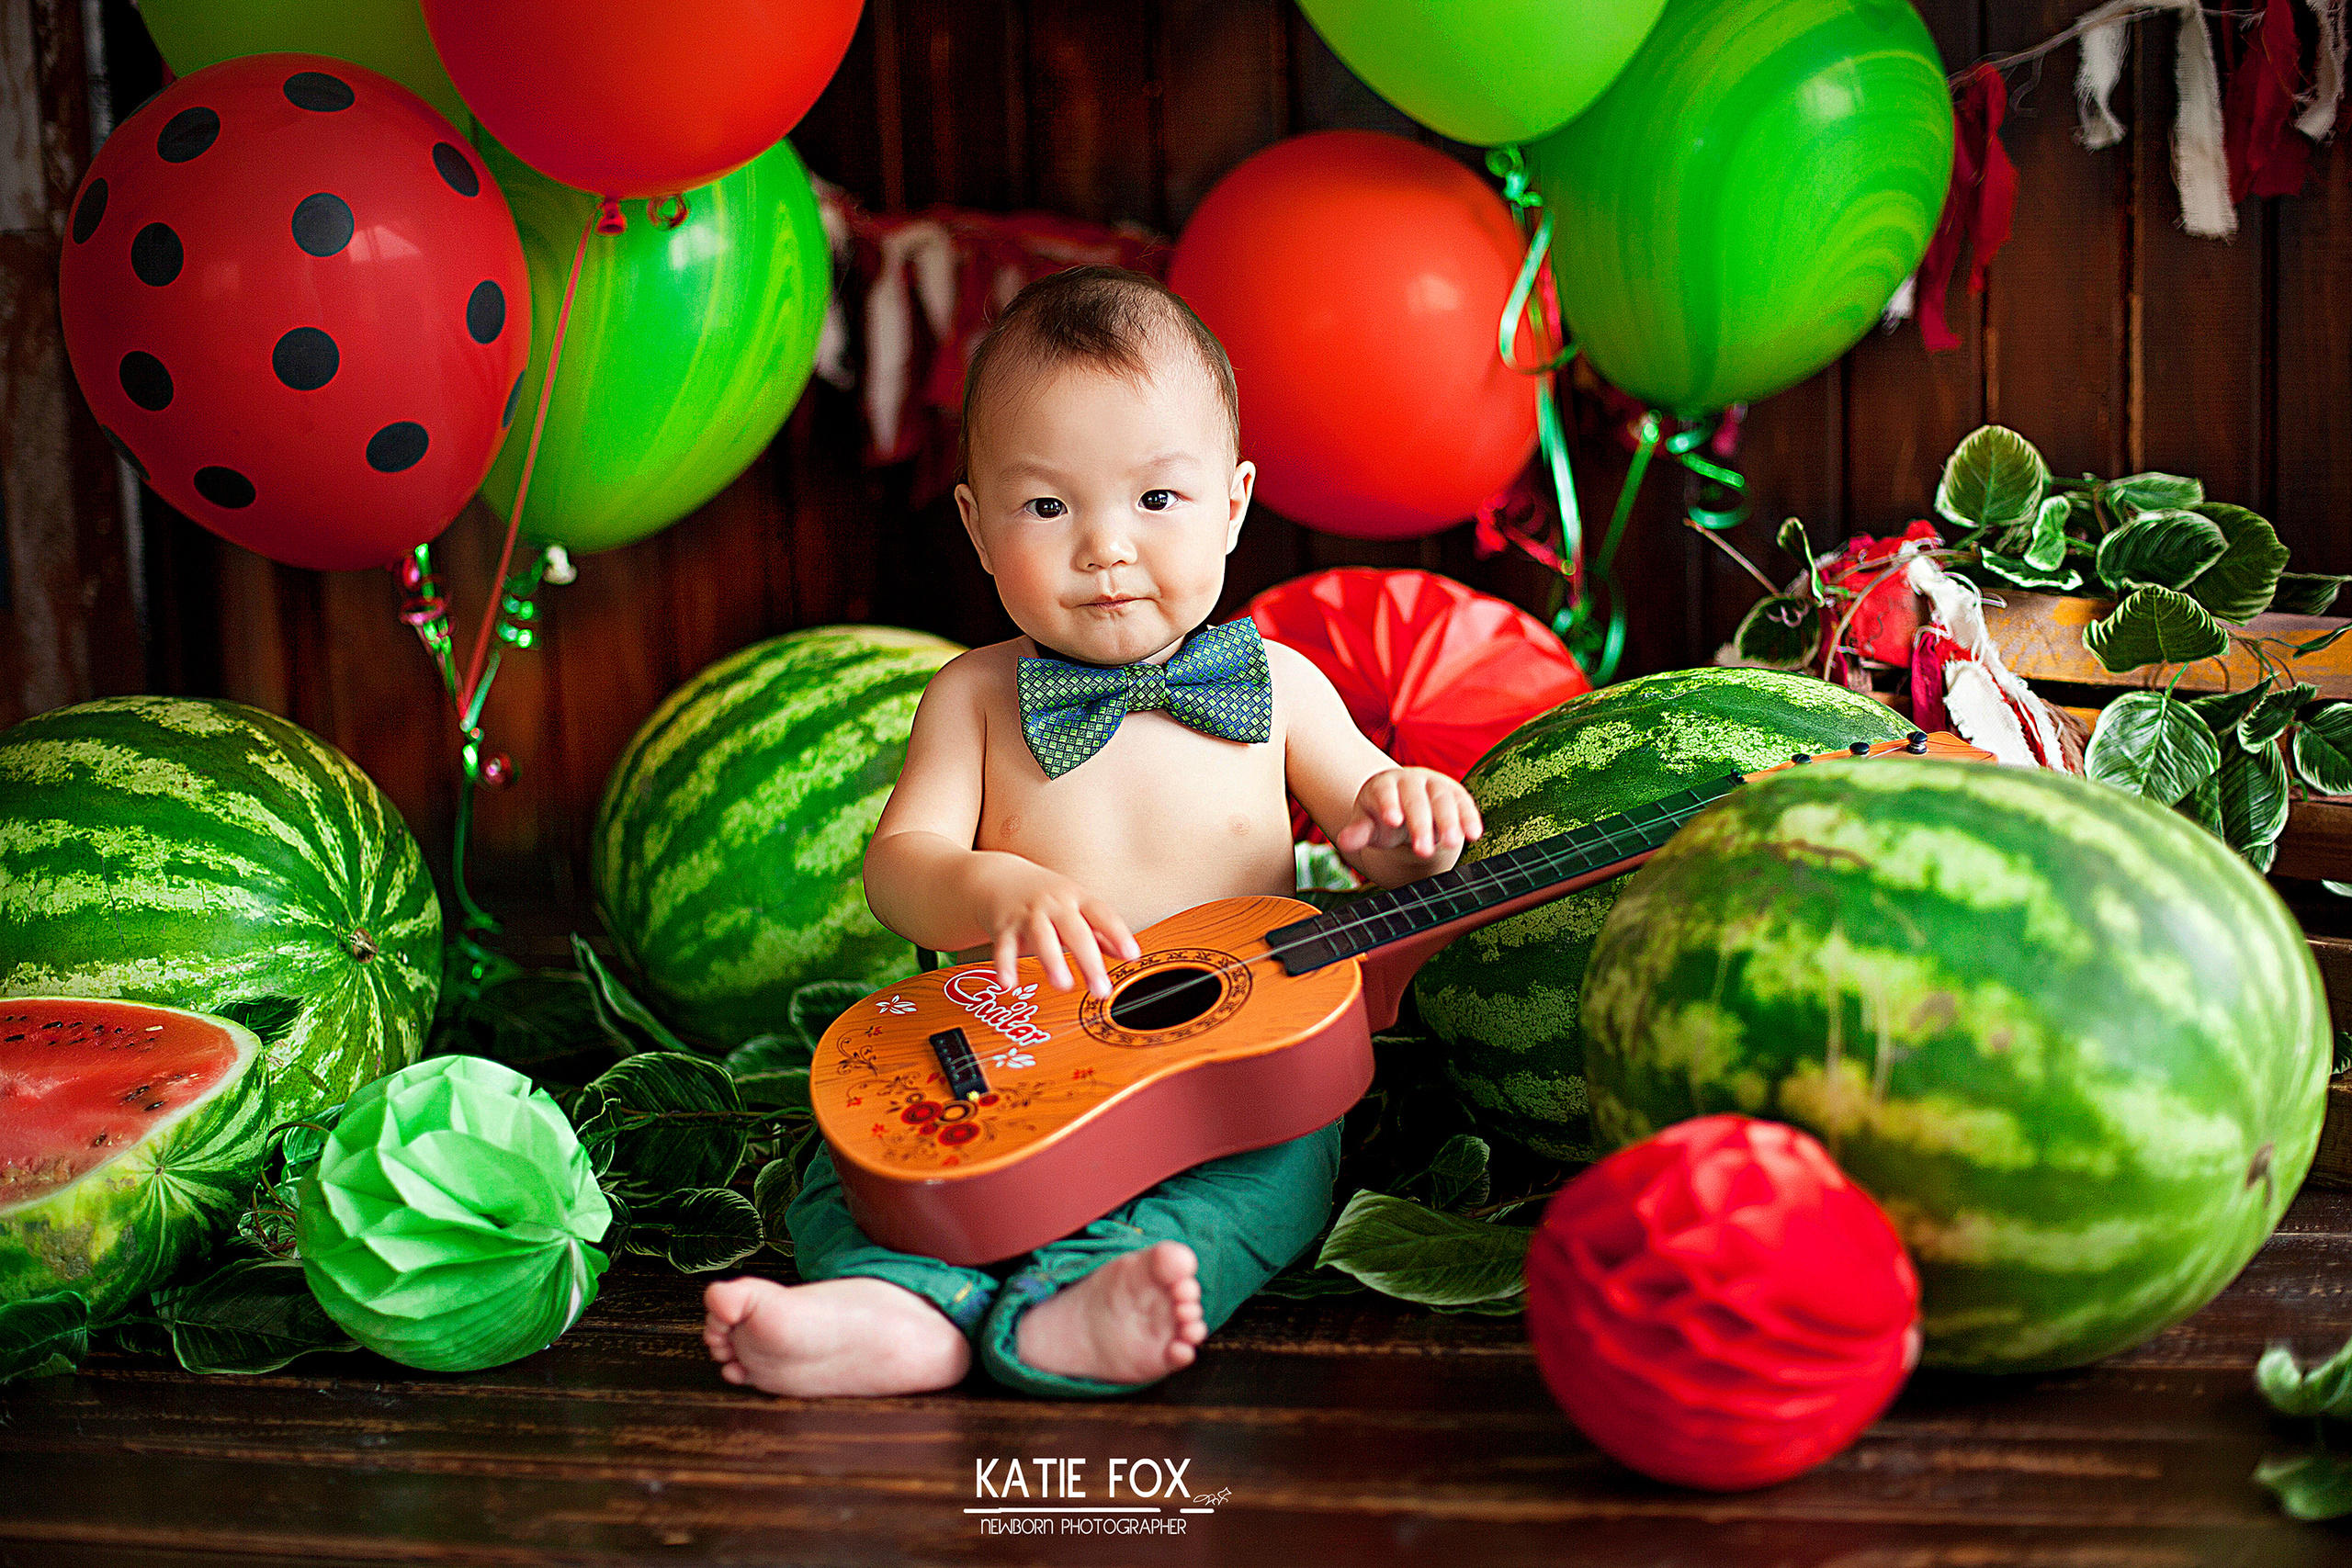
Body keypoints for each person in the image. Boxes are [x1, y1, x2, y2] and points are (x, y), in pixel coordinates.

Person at [703, 265, 1481, 1399]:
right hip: (1008, 1061)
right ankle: (890, 1307)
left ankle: (1086, 1303)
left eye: (1156, 502)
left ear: (1233, 503)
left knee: (1263, 1179)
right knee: (852, 1169)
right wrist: (992, 891)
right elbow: (896, 873)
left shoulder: (1282, 685)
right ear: (975, 524)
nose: (1105, 548)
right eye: (1047, 507)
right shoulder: (971, 696)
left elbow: (1374, 841)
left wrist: (1408, 820)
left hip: (1224, 1077)